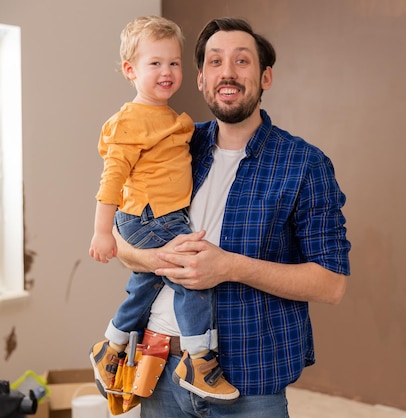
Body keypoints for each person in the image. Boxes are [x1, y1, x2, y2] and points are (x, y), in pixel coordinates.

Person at [114, 16, 351, 417]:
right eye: (214, 62)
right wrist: (158, 260)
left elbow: (331, 285)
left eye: (242, 61)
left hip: (250, 380)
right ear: (202, 79)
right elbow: (121, 236)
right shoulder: (174, 143)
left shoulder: (304, 164)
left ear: (266, 78)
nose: (227, 73)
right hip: (161, 366)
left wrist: (229, 267)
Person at [88, 15, 238, 404]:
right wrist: (103, 232)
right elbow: (111, 181)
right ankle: (198, 358)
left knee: (147, 282)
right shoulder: (131, 121)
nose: (166, 71)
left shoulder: (170, 119)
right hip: (147, 215)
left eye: (173, 63)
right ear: (130, 70)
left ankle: (112, 345)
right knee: (192, 274)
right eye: (154, 63)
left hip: (165, 215)